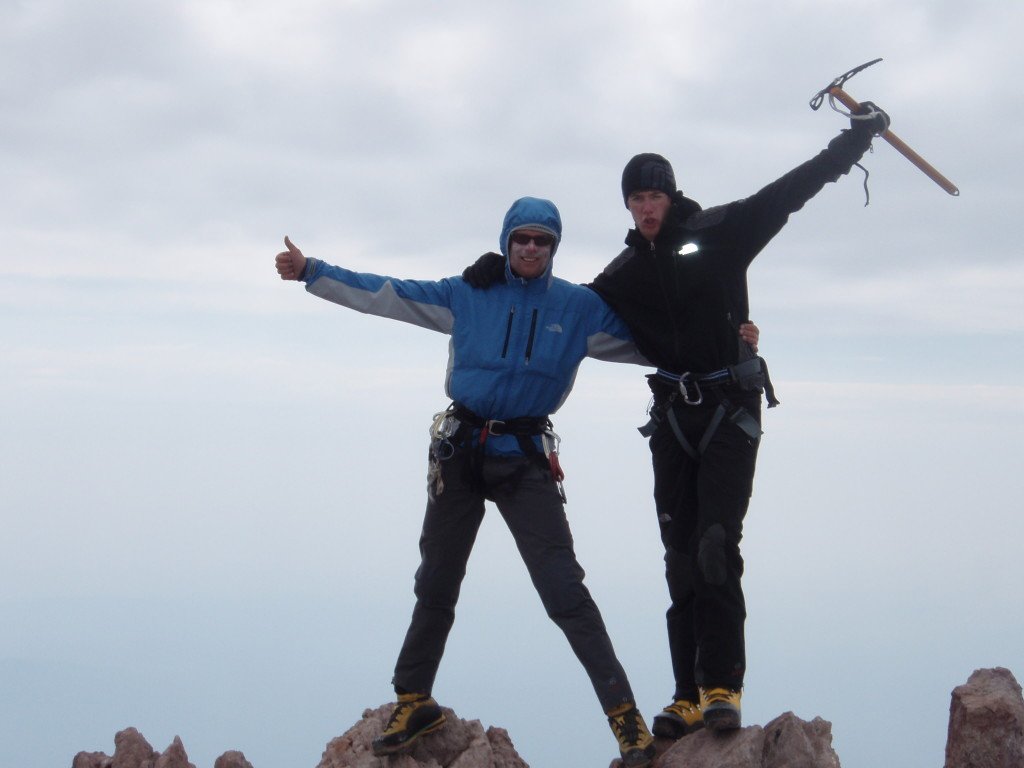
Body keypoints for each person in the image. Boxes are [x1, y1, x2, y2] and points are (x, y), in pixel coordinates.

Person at [462, 101, 890, 737]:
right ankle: (687, 692)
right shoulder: (629, 270)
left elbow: (791, 192)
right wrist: (500, 272)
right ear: (628, 206)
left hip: (729, 411)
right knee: (679, 556)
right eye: (635, 198)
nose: (646, 206)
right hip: (672, 418)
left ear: (671, 194)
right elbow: (571, 302)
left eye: (654, 193)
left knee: (716, 545)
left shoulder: (724, 231)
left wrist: (854, 141)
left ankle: (723, 686)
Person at [275, 197, 659, 767]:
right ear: (506, 240)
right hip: (460, 451)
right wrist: (313, 272)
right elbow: (391, 294)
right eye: (522, 238)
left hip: (524, 457)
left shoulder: (578, 308)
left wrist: (731, 343)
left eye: (543, 241)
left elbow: (656, 343)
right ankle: (413, 699)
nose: (531, 248)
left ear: (555, 248)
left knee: (565, 591)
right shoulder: (468, 292)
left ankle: (626, 721)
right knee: (436, 579)